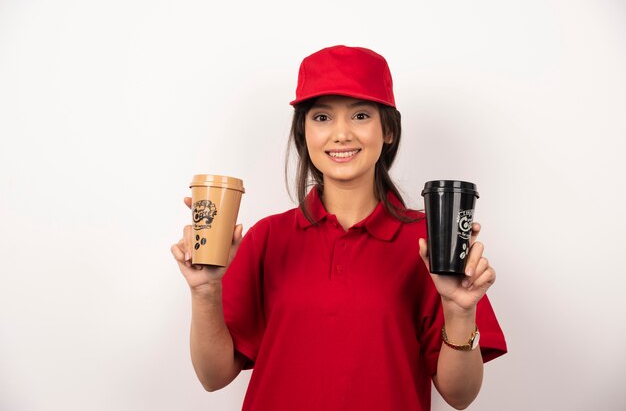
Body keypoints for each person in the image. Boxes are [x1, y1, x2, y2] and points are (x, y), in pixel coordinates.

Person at [171, 45, 507, 411]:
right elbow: (213, 376)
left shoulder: (430, 243)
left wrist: (459, 312)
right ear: (304, 132)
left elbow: (460, 395)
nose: (341, 134)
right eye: (322, 118)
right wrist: (205, 291)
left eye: (361, 115)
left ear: (388, 130)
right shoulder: (268, 238)